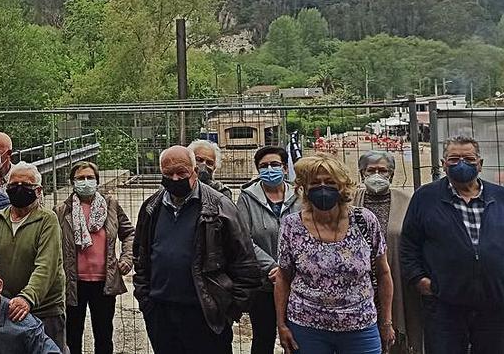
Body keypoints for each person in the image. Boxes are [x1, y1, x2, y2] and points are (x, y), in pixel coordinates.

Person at [401, 135, 504, 354]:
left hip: (496, 304)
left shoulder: (502, 197)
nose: (461, 164)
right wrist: (420, 280)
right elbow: (408, 245)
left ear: (480, 164)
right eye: (454, 159)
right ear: (443, 165)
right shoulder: (425, 198)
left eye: (468, 158)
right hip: (444, 305)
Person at [132, 145, 260, 354]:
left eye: (181, 173)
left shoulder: (220, 207)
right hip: (161, 313)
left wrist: (228, 311)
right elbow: (141, 256)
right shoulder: (151, 208)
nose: (175, 179)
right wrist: (146, 301)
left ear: (194, 171)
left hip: (205, 315)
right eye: (168, 174)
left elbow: (245, 263)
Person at [275, 154, 394, 354]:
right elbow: (283, 277)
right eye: (315, 182)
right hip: (307, 326)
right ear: (303, 187)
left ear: (342, 187)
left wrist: (386, 322)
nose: (323, 187)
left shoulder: (364, 220)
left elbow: (383, 273)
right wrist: (281, 324)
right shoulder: (291, 225)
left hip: (360, 324)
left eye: (330, 182)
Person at [0, 162, 67, 352]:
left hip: (44, 309)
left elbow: (46, 266)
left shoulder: (47, 220)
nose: (18, 190)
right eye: (13, 185)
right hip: (9, 307)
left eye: (25, 186)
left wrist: (27, 298)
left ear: (38, 190)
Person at [55, 161, 134, 354]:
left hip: (104, 282)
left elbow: (129, 234)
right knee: (72, 336)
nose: (86, 182)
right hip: (74, 283)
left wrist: (126, 258)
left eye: (90, 178)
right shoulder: (61, 210)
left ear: (97, 181)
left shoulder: (111, 206)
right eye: (80, 178)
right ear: (72, 182)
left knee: (104, 335)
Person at [352, 150, 421, 354]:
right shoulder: (348, 201)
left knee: (394, 334)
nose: (377, 175)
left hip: (396, 276)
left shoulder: (409, 203)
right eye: (371, 170)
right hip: (358, 282)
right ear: (362, 173)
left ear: (391, 174)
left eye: (383, 170)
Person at [235, 146, 301, 354]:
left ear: (284, 168)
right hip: (263, 283)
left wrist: (289, 270)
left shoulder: (300, 196)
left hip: (298, 283)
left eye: (275, 164)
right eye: (264, 166)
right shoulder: (247, 198)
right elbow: (243, 239)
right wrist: (274, 268)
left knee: (297, 338)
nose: (269, 169)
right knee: (262, 338)